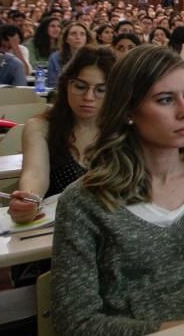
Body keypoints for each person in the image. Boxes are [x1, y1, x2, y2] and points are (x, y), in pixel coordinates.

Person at [52, 45, 184, 336]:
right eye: (165, 100)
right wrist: (174, 331)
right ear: (127, 111)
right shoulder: (83, 201)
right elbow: (75, 322)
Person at [9, 46, 116, 222]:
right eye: (80, 87)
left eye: (101, 90)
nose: (89, 97)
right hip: (58, 226)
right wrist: (29, 200)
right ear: (66, 85)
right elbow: (35, 175)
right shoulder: (41, 127)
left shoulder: (123, 130)